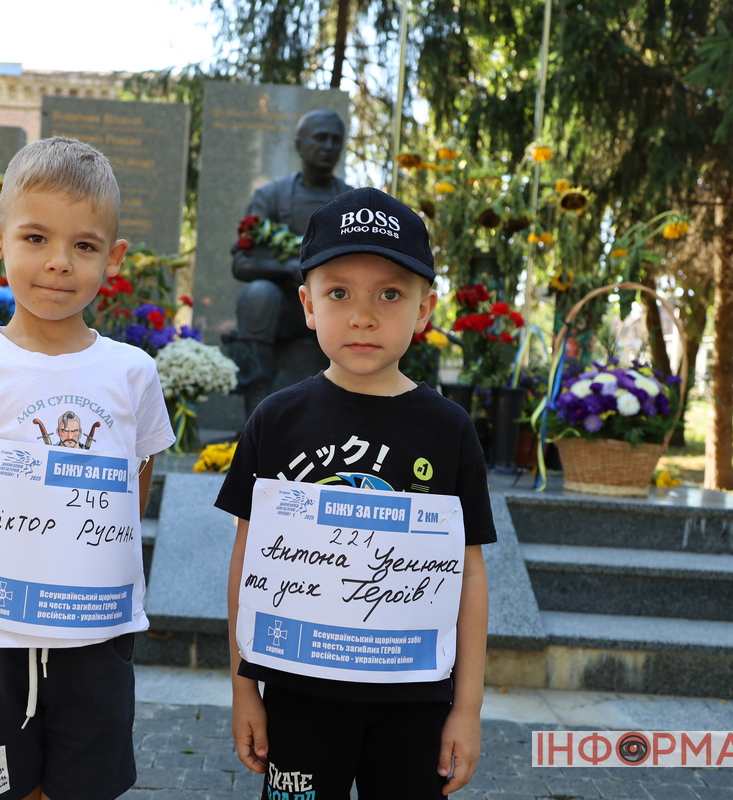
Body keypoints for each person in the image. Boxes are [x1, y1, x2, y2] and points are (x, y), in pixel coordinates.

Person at [0, 136, 175, 800]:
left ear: (113, 258)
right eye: (35, 238)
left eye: (84, 245)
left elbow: (130, 493)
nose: (59, 262)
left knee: (84, 786)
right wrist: (27, 550)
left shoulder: (133, 374)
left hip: (97, 637)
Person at [217, 187, 497, 799]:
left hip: (415, 702)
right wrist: (243, 688)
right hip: (298, 694)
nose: (363, 315)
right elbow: (247, 562)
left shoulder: (449, 430)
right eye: (339, 292)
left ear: (424, 309)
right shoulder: (275, 421)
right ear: (308, 305)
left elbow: (470, 574)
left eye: (389, 294)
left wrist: (467, 708)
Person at [227, 109, 354, 416]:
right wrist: (287, 269)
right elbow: (242, 263)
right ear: (300, 145)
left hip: (337, 306)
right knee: (257, 295)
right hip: (285, 308)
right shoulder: (271, 197)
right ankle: (256, 403)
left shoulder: (352, 201)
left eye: (335, 140)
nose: (328, 146)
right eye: (320, 138)